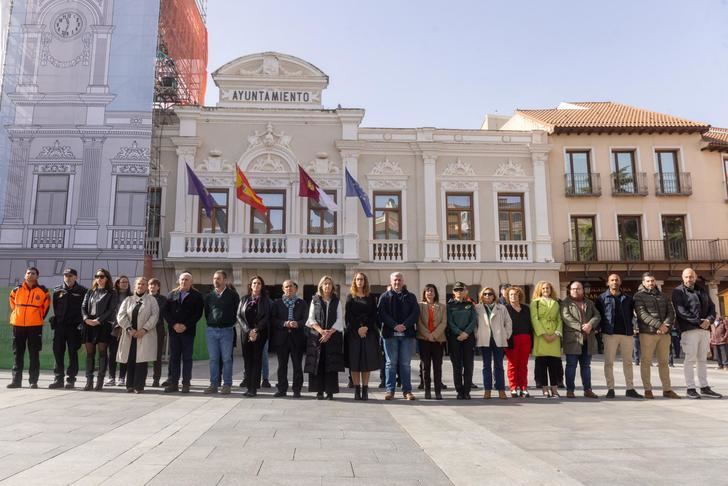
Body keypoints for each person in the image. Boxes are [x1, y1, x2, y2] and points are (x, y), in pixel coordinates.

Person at [672, 268, 722, 398]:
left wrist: (709, 320)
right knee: (690, 359)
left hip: (704, 330)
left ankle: (704, 387)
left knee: (702, 359)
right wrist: (698, 321)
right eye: (687, 277)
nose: (689, 279)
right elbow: (681, 311)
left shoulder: (701, 290)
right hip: (689, 330)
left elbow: (712, 307)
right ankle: (690, 388)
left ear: (695, 277)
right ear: (683, 278)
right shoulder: (678, 291)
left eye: (691, 277)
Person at [633, 272, 680, 399]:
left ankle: (667, 389)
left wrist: (666, 326)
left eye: (652, 281)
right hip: (647, 333)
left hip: (664, 333)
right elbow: (642, 314)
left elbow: (671, 312)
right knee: (646, 361)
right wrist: (659, 325)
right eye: (648, 281)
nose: (651, 283)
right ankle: (647, 389)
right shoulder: (638, 296)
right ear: (643, 282)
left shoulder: (663, 296)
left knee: (664, 362)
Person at [596, 274, 642, 399]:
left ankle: (630, 388)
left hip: (627, 334)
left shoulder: (628, 298)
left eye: (616, 280)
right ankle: (610, 389)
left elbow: (635, 314)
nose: (614, 282)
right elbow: (598, 315)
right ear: (608, 283)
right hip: (609, 334)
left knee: (628, 362)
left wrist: (635, 327)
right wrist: (600, 329)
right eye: (612, 280)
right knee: (609, 362)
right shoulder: (601, 298)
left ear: (620, 282)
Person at [378, 272, 420, 401]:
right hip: (390, 335)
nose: (397, 282)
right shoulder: (384, 297)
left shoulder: (411, 297)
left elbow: (415, 313)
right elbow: (381, 313)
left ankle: (407, 391)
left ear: (403, 281)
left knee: (405, 364)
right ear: (391, 281)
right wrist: (394, 325)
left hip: (407, 335)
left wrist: (405, 325)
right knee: (390, 364)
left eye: (399, 280)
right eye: (395, 280)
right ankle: (390, 390)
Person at [7, 267, 50, 389]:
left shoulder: (43, 291)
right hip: (18, 325)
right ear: (24, 275)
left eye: (33, 273)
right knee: (17, 353)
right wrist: (18, 315)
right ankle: (16, 381)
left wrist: (36, 316)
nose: (30, 275)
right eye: (28, 273)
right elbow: (13, 305)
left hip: (35, 326)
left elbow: (45, 307)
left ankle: (33, 381)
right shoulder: (16, 290)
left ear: (37, 276)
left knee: (34, 353)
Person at [116, 277, 159, 394]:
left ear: (146, 287)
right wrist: (129, 329)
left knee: (141, 360)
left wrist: (144, 329)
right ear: (135, 286)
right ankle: (129, 385)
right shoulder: (128, 300)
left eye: (144, 284)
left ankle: (139, 386)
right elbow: (121, 316)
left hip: (144, 334)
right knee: (130, 359)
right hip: (130, 334)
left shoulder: (151, 300)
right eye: (139, 284)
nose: (141, 286)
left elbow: (154, 316)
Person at [305, 275, 345, 399]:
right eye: (325, 283)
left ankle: (330, 391)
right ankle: (319, 391)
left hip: (333, 337)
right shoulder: (315, 300)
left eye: (329, 284)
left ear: (333, 286)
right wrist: (322, 331)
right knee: (318, 363)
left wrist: (329, 333)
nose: (327, 286)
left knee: (331, 364)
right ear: (321, 286)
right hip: (317, 337)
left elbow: (340, 319)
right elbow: (311, 319)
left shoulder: (337, 301)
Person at [164, 272, 204, 393]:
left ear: (191, 282)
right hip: (174, 331)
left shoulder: (197, 296)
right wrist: (174, 324)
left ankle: (186, 383)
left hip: (188, 332)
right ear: (178, 281)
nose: (184, 281)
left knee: (187, 358)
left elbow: (197, 314)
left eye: (186, 279)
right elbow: (165, 312)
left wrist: (185, 325)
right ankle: (174, 383)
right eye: (182, 279)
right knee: (174, 358)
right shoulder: (171, 295)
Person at [345, 272, 381, 401]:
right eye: (357, 279)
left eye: (362, 279)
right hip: (354, 334)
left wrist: (366, 327)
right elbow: (348, 316)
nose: (360, 281)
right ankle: (357, 389)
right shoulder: (350, 297)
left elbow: (374, 315)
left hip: (369, 332)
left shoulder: (371, 297)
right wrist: (358, 328)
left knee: (366, 362)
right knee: (355, 362)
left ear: (365, 281)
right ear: (354, 281)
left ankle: (365, 389)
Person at [561, 281, 600, 399]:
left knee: (586, 366)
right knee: (571, 365)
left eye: (578, 288)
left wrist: (590, 325)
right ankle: (570, 390)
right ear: (570, 290)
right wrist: (582, 327)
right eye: (573, 289)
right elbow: (567, 318)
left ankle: (588, 389)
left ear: (582, 290)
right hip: (573, 340)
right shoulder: (565, 303)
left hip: (588, 340)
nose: (575, 291)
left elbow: (597, 316)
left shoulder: (589, 302)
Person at [49, 268, 87, 389]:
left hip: (74, 327)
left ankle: (71, 380)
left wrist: (81, 324)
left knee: (72, 353)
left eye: (70, 276)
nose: (68, 278)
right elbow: (55, 306)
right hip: (60, 326)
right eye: (66, 275)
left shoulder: (82, 291)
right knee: (58, 352)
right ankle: (58, 379)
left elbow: (84, 308)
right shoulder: (57, 290)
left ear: (76, 277)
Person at [203, 270, 240, 395]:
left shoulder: (233, 295)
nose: (215, 281)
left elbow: (237, 312)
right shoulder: (209, 296)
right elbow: (207, 312)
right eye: (214, 278)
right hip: (211, 331)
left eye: (218, 278)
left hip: (227, 331)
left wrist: (229, 322)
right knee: (213, 359)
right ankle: (213, 384)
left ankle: (227, 385)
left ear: (225, 280)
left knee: (226, 359)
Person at [271, 280, 308, 398]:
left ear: (296, 288)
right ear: (283, 289)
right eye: (286, 287)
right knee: (282, 365)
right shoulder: (277, 303)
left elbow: (306, 319)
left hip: (297, 338)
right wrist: (284, 323)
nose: (289, 288)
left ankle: (297, 390)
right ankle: (282, 389)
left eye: (291, 286)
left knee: (297, 365)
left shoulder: (302, 303)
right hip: (282, 339)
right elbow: (273, 320)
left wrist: (297, 323)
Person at [80, 269, 116, 391]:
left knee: (102, 353)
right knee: (90, 353)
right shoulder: (90, 291)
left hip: (103, 325)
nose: (99, 278)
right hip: (89, 324)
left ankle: (99, 381)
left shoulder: (111, 293)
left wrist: (98, 320)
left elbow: (111, 310)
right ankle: (89, 381)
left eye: (101, 276)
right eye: (97, 276)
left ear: (107, 278)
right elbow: (83, 306)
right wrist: (85, 319)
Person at [237, 275, 272, 397]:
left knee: (257, 360)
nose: (256, 285)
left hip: (260, 333)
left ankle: (254, 388)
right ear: (250, 285)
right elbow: (239, 316)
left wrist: (256, 330)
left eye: (258, 283)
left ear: (262, 286)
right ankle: (248, 386)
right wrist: (248, 331)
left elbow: (267, 317)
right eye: (254, 283)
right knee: (247, 360)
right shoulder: (244, 299)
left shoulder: (266, 300)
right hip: (246, 333)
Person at [475, 287, 512, 399]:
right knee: (486, 366)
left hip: (498, 339)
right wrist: (477, 334)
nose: (487, 296)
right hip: (484, 340)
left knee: (499, 366)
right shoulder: (477, 308)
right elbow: (474, 324)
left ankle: (501, 389)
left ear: (494, 295)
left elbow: (508, 322)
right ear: (482, 295)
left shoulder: (501, 308)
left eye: (490, 294)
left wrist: (506, 335)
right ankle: (487, 390)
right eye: (485, 294)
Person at [530, 281, 563, 398]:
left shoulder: (556, 303)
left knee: (554, 364)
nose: (545, 290)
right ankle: (544, 388)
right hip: (541, 336)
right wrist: (543, 334)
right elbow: (535, 319)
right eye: (543, 288)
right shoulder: (535, 303)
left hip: (554, 335)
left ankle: (554, 388)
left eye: (548, 288)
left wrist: (557, 333)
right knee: (542, 363)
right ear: (540, 290)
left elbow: (559, 319)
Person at [446, 281, 477, 400]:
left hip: (468, 338)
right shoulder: (450, 305)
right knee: (457, 366)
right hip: (455, 338)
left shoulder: (470, 304)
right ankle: (459, 391)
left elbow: (474, 320)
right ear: (453, 292)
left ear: (465, 291)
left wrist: (466, 333)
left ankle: (467, 391)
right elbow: (449, 321)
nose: (459, 292)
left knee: (468, 365)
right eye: (456, 290)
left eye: (461, 290)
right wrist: (459, 333)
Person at [417, 284, 446, 400]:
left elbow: (444, 323)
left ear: (435, 293)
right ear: (424, 293)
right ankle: (427, 390)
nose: (429, 293)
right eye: (427, 291)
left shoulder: (442, 307)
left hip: (438, 340)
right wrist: (427, 335)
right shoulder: (419, 306)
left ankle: (438, 391)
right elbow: (418, 322)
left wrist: (433, 335)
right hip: (424, 340)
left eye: (432, 291)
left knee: (437, 367)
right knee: (426, 366)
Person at [505, 286, 532, 397]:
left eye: (516, 294)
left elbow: (530, 325)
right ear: (508, 296)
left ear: (519, 295)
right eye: (511, 294)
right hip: (512, 339)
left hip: (525, 338)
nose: (513, 296)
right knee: (512, 364)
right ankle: (513, 387)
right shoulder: (505, 308)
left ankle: (524, 387)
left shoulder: (526, 308)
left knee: (523, 364)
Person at [106, 276, 130, 386]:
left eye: (126, 282)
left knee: (124, 353)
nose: (125, 284)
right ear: (117, 283)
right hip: (113, 327)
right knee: (112, 353)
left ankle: (122, 377)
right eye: (122, 282)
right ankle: (111, 377)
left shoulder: (131, 296)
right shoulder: (112, 295)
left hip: (126, 328)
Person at [148, 278, 168, 387]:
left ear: (158, 287)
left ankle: (156, 379)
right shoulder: (143, 298)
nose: (152, 287)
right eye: (150, 285)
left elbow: (162, 313)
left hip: (158, 329)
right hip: (144, 330)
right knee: (143, 354)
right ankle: (141, 377)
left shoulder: (163, 299)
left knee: (157, 355)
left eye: (155, 285)